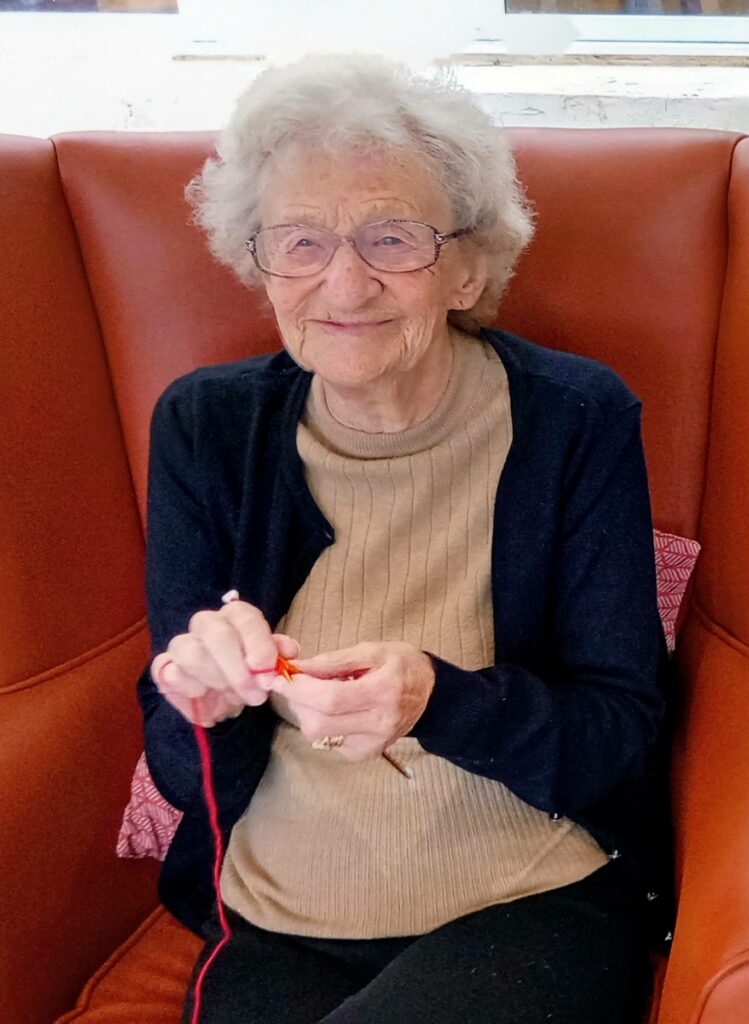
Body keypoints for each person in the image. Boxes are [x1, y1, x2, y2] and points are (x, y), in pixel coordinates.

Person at [140, 54, 673, 1024]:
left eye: (391, 238)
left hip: (528, 895)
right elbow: (182, 769)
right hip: (275, 911)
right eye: (301, 240)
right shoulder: (205, 428)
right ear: (259, 263)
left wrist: (439, 697)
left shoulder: (575, 418)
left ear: (468, 266)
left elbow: (621, 738)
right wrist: (203, 710)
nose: (344, 282)